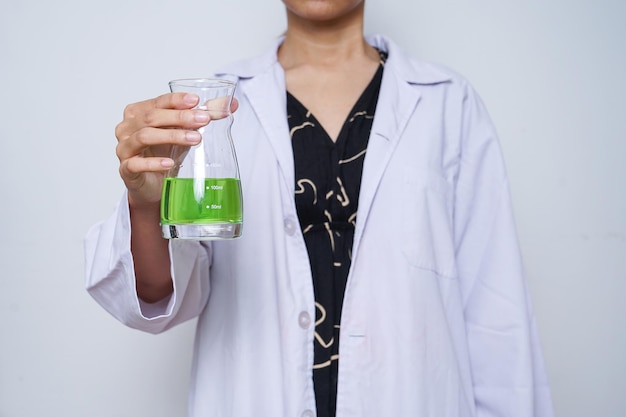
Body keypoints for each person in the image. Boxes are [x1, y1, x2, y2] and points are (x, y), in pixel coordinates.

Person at [85, 1, 555, 416]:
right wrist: (146, 205)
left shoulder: (447, 103)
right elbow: (156, 295)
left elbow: (498, 318)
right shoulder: (215, 109)